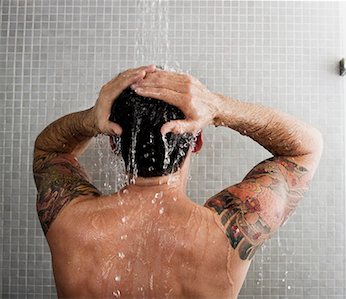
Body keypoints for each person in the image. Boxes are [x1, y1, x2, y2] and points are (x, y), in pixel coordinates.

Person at [33, 64, 323, 299]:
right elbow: (305, 148)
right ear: (196, 142)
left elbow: (50, 149)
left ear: (112, 143)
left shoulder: (70, 221)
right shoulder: (229, 232)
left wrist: (90, 119)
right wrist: (218, 107)